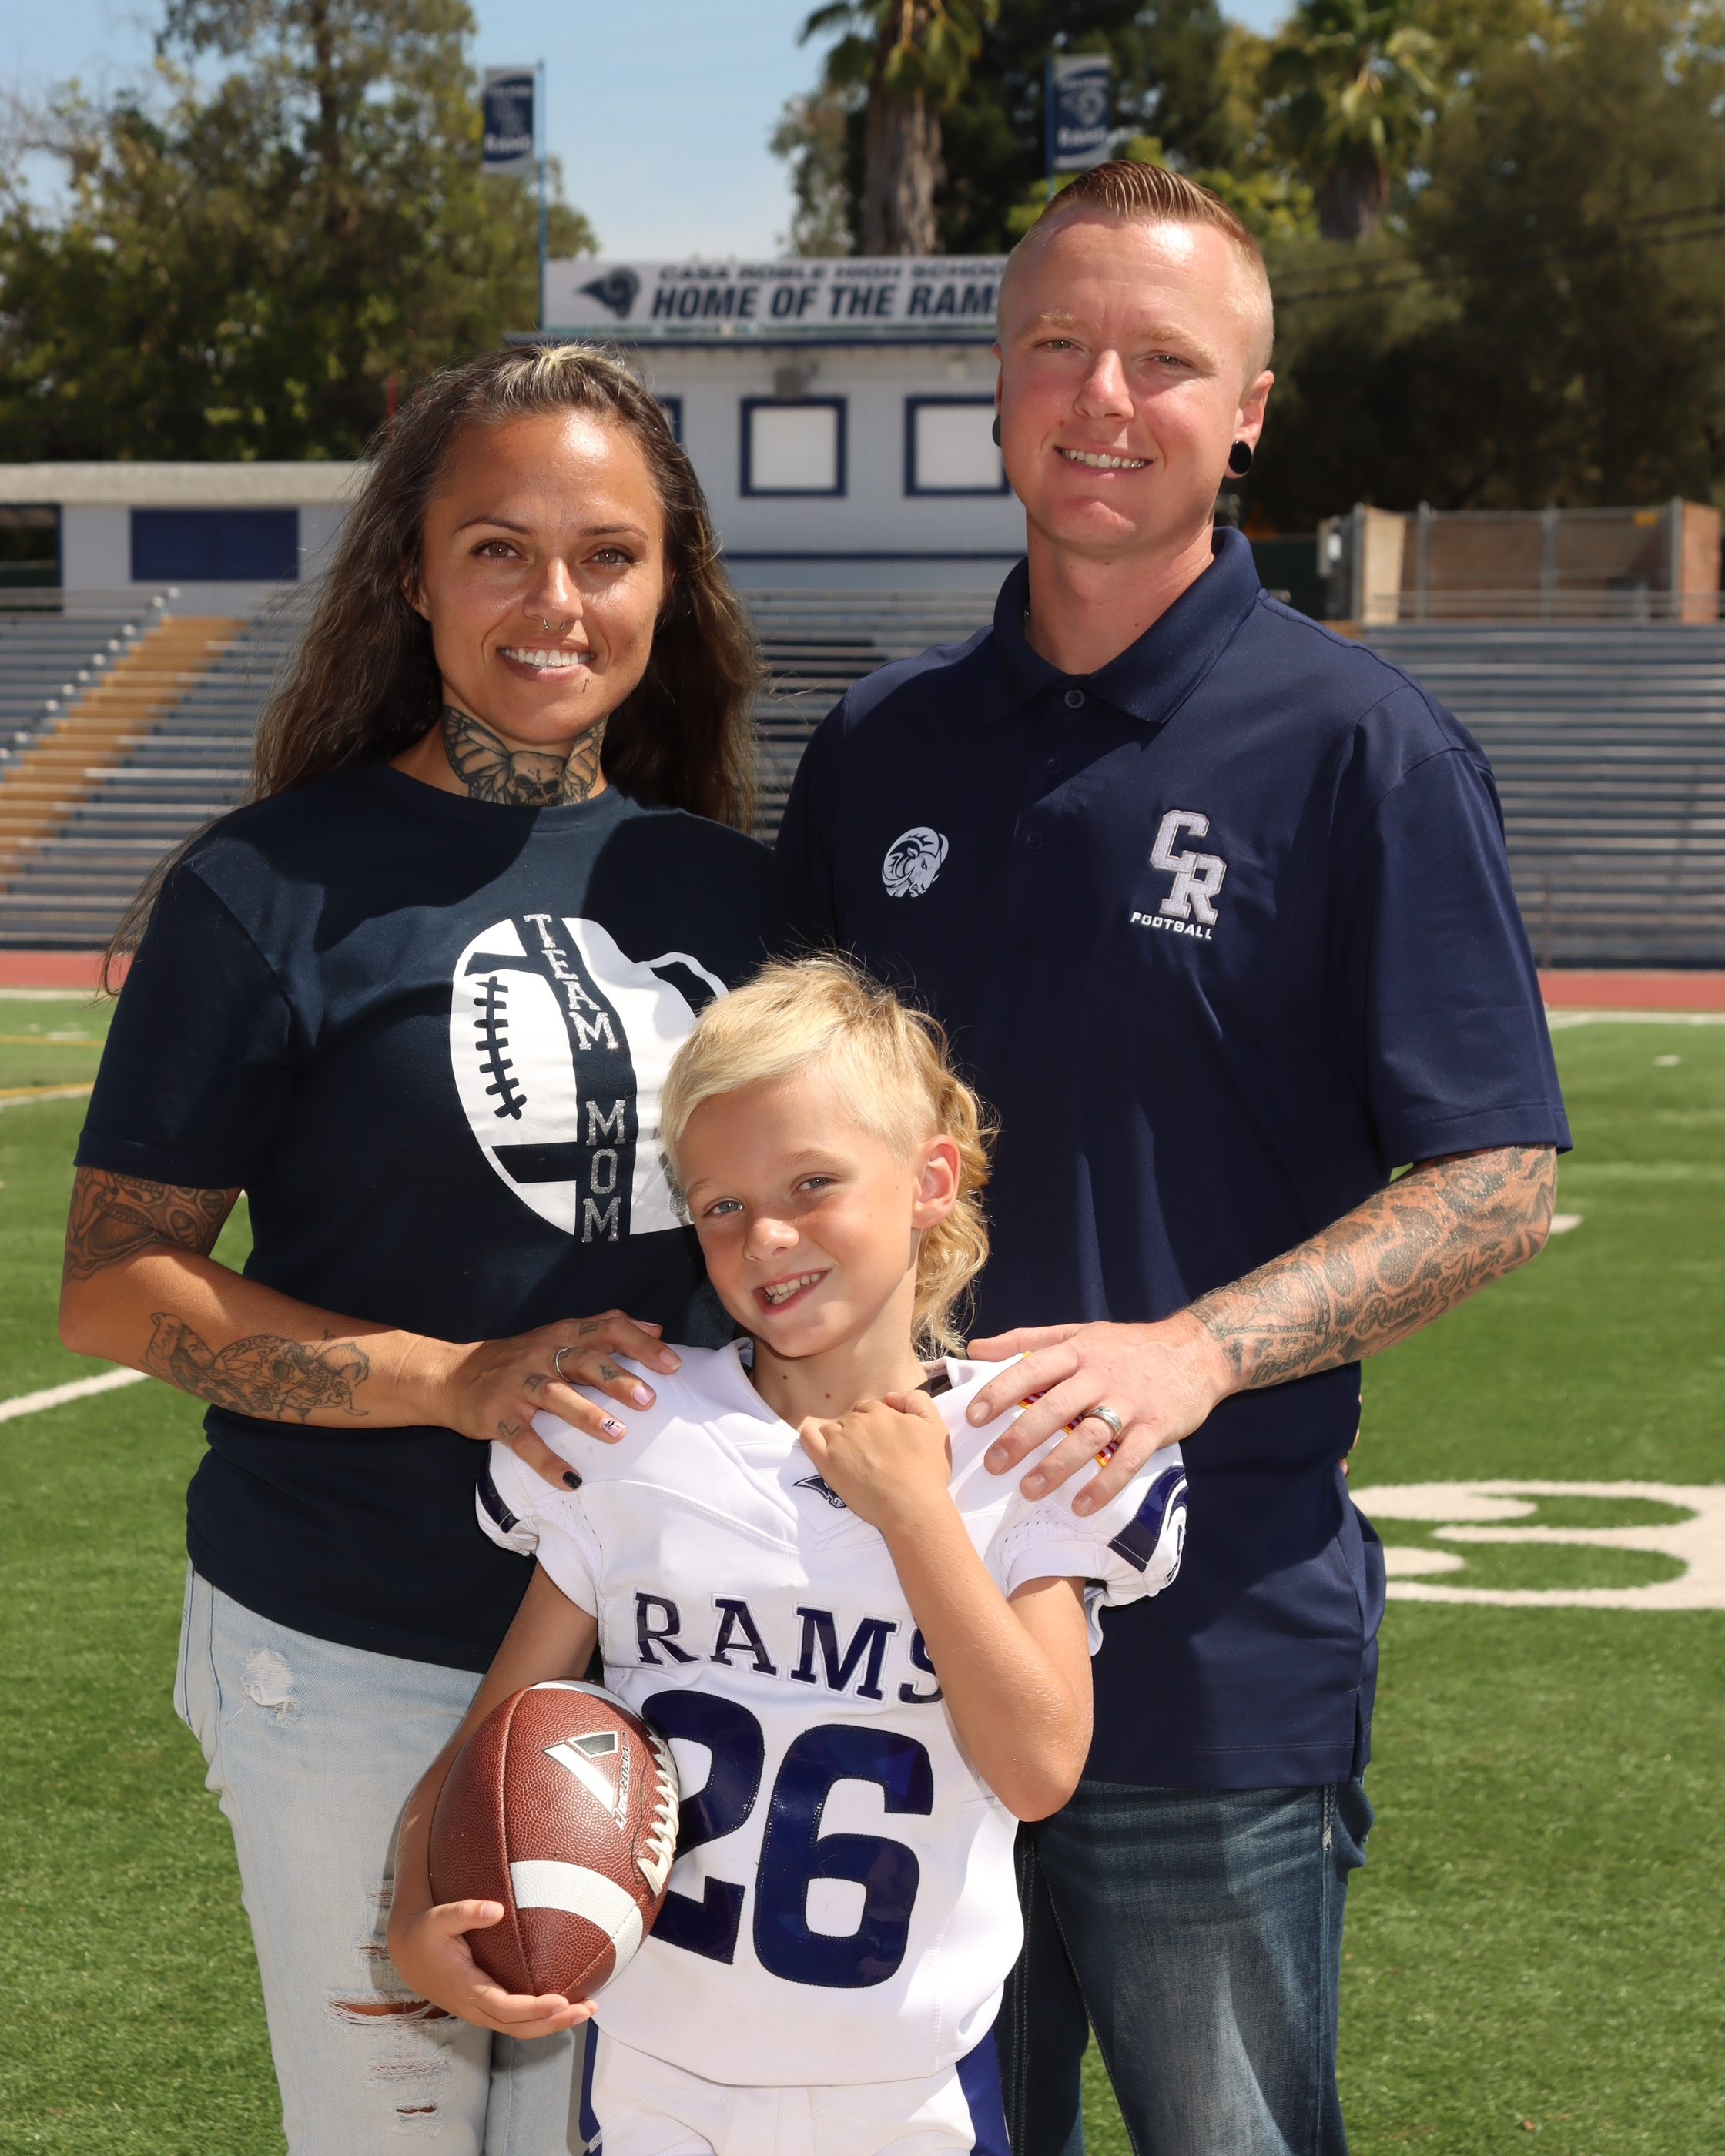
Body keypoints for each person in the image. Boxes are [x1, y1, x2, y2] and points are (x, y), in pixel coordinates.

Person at [775, 161, 1570, 2156]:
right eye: (1059, 344)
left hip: (1205, 1652)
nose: (1103, 397)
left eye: (1164, 359)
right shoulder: (882, 745)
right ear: (997, 381)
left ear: (1250, 411)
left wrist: (1191, 1352)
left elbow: (1495, 1178)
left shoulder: (1362, 749)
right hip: (884, 1635)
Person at [58, 343, 808, 2155]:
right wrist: (459, 1380)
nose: (556, 601)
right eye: (498, 549)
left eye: (607, 555)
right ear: (411, 571)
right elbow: (117, 1279)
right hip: (351, 1634)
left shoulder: (738, 892)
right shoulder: (267, 887)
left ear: (668, 584)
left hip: (671, 1643)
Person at [387, 957, 1191, 2156]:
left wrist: (916, 1515)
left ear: (929, 1182)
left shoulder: (1014, 1442)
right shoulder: (638, 1428)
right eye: (720, 1205)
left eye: (813, 1184)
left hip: (909, 2091)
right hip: (656, 2080)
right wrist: (413, 1919)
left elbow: (1038, 1772)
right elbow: (492, 1743)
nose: (766, 1236)